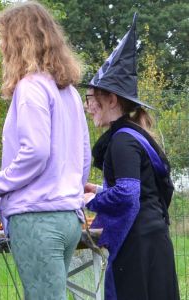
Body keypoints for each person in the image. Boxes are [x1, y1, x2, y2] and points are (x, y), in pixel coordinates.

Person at [0, 2, 90, 299]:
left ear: (19, 40)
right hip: (68, 216)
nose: (0, 44)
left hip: (37, 218)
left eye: (3, 36)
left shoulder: (31, 87)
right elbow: (84, 157)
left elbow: (36, 152)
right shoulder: (67, 90)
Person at [83, 13, 179, 300]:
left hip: (138, 244)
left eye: (91, 98)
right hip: (151, 239)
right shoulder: (132, 135)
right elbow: (143, 188)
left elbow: (127, 194)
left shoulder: (122, 141)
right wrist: (99, 189)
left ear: (112, 99)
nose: (88, 107)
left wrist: (90, 200)